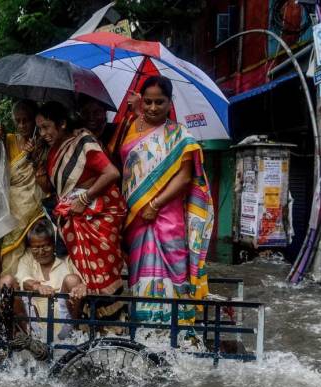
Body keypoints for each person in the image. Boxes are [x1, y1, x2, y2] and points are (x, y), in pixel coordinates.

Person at [118, 75, 214, 323]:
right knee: (139, 271)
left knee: (173, 270)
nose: (152, 108)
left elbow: (183, 178)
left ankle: (177, 326)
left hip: (167, 217)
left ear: (170, 103)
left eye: (159, 102)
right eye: (148, 102)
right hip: (137, 217)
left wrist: (154, 205)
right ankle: (143, 325)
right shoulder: (130, 129)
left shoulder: (180, 136)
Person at [33, 101, 127, 323]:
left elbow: (111, 173)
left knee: (104, 276)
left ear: (62, 123)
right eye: (40, 128)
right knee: (82, 281)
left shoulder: (83, 141)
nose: (43, 133)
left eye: (47, 127)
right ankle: (87, 328)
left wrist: (85, 198)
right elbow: (54, 190)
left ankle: (113, 328)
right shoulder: (51, 151)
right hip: (76, 221)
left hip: (99, 218)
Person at [0, 219, 87, 359]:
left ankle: (72, 333)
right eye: (36, 248)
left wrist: (81, 287)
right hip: (32, 322)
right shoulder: (27, 258)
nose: (41, 252)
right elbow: (23, 277)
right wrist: (37, 286)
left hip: (63, 322)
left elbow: (82, 281)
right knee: (6, 281)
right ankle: (22, 336)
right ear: (30, 248)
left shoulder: (66, 260)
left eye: (46, 246)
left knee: (72, 279)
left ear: (53, 245)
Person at [0, 100, 46, 277]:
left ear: (34, 121)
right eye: (18, 121)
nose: (22, 125)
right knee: (3, 252)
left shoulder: (43, 142)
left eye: (26, 120)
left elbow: (45, 177)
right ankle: (6, 290)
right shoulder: (9, 139)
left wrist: (35, 155)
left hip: (35, 206)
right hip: (9, 206)